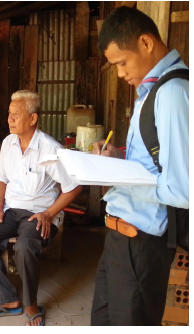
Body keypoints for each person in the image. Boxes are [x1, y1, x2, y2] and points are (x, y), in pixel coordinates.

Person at [90, 6, 188, 326]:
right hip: (122, 238)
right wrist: (118, 159)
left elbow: (183, 188)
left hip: (142, 241)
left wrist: (124, 178)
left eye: (121, 63)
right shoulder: (149, 92)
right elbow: (154, 163)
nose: (120, 73)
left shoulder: (173, 92)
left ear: (146, 43)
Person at [0, 90, 82, 326]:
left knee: (25, 245)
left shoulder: (50, 149)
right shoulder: (8, 143)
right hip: (12, 210)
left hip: (40, 214)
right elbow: (1, 178)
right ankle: (6, 299)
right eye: (9, 114)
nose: (10, 119)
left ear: (33, 119)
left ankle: (31, 303)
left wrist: (49, 213)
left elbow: (73, 187)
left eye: (16, 115)